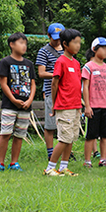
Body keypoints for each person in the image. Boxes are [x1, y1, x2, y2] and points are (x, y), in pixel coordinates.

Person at [0, 32, 36, 172]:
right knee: (5, 133)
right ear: (12, 44)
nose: (24, 46)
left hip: (25, 106)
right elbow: (3, 83)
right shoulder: (5, 62)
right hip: (10, 105)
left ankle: (14, 163)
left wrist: (29, 100)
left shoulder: (29, 64)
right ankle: (0, 163)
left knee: (19, 135)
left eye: (25, 43)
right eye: (21, 43)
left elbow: (33, 84)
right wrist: (13, 99)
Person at [43, 28, 83, 177]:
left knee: (71, 138)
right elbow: (55, 84)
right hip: (64, 106)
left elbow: (77, 85)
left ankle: (64, 167)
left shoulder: (77, 63)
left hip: (75, 106)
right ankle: (50, 168)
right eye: (75, 42)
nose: (78, 45)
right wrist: (54, 104)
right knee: (64, 138)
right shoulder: (61, 61)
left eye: (79, 42)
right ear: (65, 44)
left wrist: (79, 105)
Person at [82, 37, 106, 168]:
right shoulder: (88, 67)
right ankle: (87, 161)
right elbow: (85, 87)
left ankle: (103, 159)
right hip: (94, 106)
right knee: (91, 135)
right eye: (103, 48)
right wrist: (87, 106)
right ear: (94, 49)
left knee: (105, 135)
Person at [36, 23, 65, 160]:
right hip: (51, 91)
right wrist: (58, 74)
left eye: (60, 38)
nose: (57, 40)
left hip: (66, 92)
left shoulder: (67, 51)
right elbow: (41, 73)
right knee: (50, 124)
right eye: (54, 38)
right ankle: (50, 152)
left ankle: (64, 150)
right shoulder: (44, 51)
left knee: (65, 123)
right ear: (48, 36)